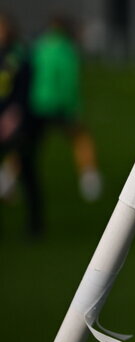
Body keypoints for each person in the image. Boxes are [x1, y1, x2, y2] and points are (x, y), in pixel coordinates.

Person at [21, 16, 103, 227]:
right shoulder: (68, 50)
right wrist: (73, 107)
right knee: (80, 138)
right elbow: (69, 80)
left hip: (38, 103)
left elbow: (29, 75)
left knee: (27, 146)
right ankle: (89, 177)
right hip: (61, 105)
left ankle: (7, 180)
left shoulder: (38, 47)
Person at [0, 13, 43, 234]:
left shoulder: (19, 56)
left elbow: (25, 89)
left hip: (19, 123)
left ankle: (35, 225)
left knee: (27, 172)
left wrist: (14, 114)